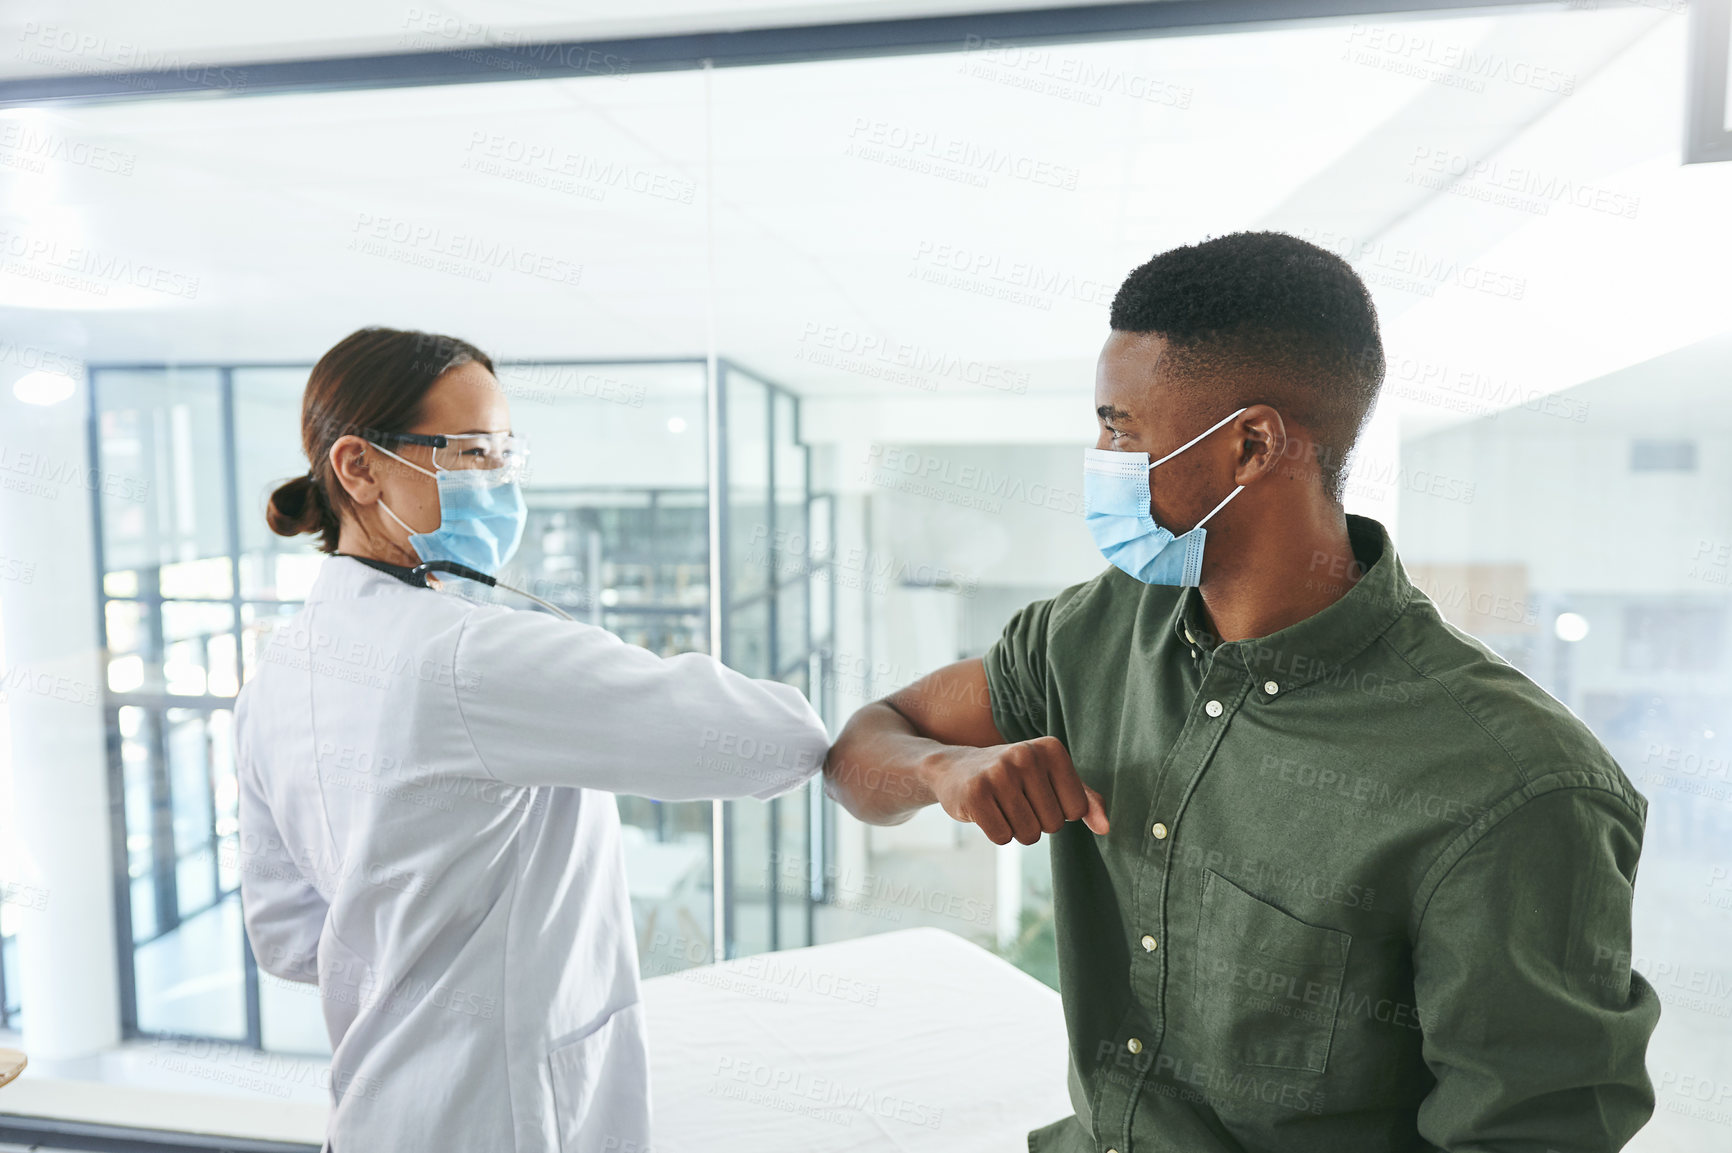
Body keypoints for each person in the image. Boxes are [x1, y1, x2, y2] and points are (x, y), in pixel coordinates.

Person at [824, 232, 1659, 1151]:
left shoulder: (1512, 787)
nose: (1098, 455)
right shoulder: (1096, 631)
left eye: (1119, 427)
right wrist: (944, 769)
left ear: (1252, 445)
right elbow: (863, 750)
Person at [236, 327, 828, 1152]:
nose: (499, 480)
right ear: (358, 468)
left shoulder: (273, 675)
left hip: (370, 1117)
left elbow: (288, 937)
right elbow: (775, 737)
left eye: (507, 454)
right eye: (471, 451)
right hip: (497, 1120)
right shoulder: (469, 653)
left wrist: (415, 955)